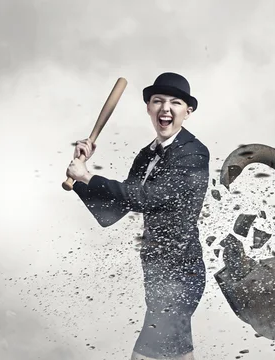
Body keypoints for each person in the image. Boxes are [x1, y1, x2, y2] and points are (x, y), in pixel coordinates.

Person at [66, 72, 210, 360]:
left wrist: (89, 177)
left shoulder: (193, 154)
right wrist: (81, 176)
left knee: (145, 356)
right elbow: (114, 209)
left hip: (181, 275)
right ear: (148, 107)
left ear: (188, 111)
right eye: (158, 101)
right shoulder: (147, 155)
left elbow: (150, 198)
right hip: (157, 274)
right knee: (179, 353)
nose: (165, 109)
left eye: (175, 103)